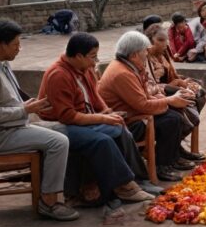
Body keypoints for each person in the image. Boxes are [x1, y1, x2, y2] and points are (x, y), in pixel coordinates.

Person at [0, 20, 78, 221]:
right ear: (2, 45)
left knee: (63, 129)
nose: (19, 48)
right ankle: (49, 202)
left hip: (10, 127)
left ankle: (55, 187)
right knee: (58, 142)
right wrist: (25, 110)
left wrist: (29, 105)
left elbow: (8, 99)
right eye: (16, 44)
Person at [38, 33, 153, 204]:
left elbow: (95, 96)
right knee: (102, 140)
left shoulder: (85, 69)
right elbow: (67, 116)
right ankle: (124, 187)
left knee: (120, 128)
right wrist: (102, 118)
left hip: (83, 119)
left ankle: (137, 180)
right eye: (92, 56)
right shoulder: (58, 74)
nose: (95, 61)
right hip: (60, 125)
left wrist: (106, 112)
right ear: (78, 56)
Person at [98, 31, 195, 182]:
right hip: (128, 122)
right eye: (144, 50)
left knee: (177, 111)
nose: (146, 53)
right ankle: (161, 165)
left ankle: (173, 156)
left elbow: (145, 95)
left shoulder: (129, 66)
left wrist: (166, 99)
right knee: (171, 120)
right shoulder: (122, 73)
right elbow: (142, 105)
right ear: (135, 54)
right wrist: (168, 101)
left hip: (135, 112)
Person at [144, 22, 206, 156]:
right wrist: (176, 84)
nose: (164, 44)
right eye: (160, 40)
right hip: (159, 91)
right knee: (189, 99)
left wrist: (182, 81)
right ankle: (175, 145)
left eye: (165, 40)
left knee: (200, 92)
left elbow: (172, 73)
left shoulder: (163, 53)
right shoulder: (145, 57)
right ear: (150, 41)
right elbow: (151, 85)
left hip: (167, 88)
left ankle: (178, 143)